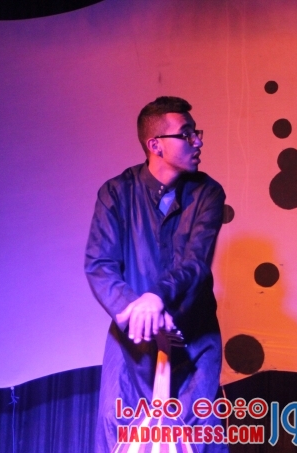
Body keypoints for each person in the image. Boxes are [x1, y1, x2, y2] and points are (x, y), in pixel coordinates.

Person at [85, 96, 228, 452]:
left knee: (200, 433)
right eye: (187, 134)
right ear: (155, 145)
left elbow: (195, 262)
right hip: (132, 339)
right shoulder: (116, 193)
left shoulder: (208, 193)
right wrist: (137, 310)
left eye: (196, 132)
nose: (197, 141)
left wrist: (157, 298)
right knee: (117, 427)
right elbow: (100, 264)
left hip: (193, 335)